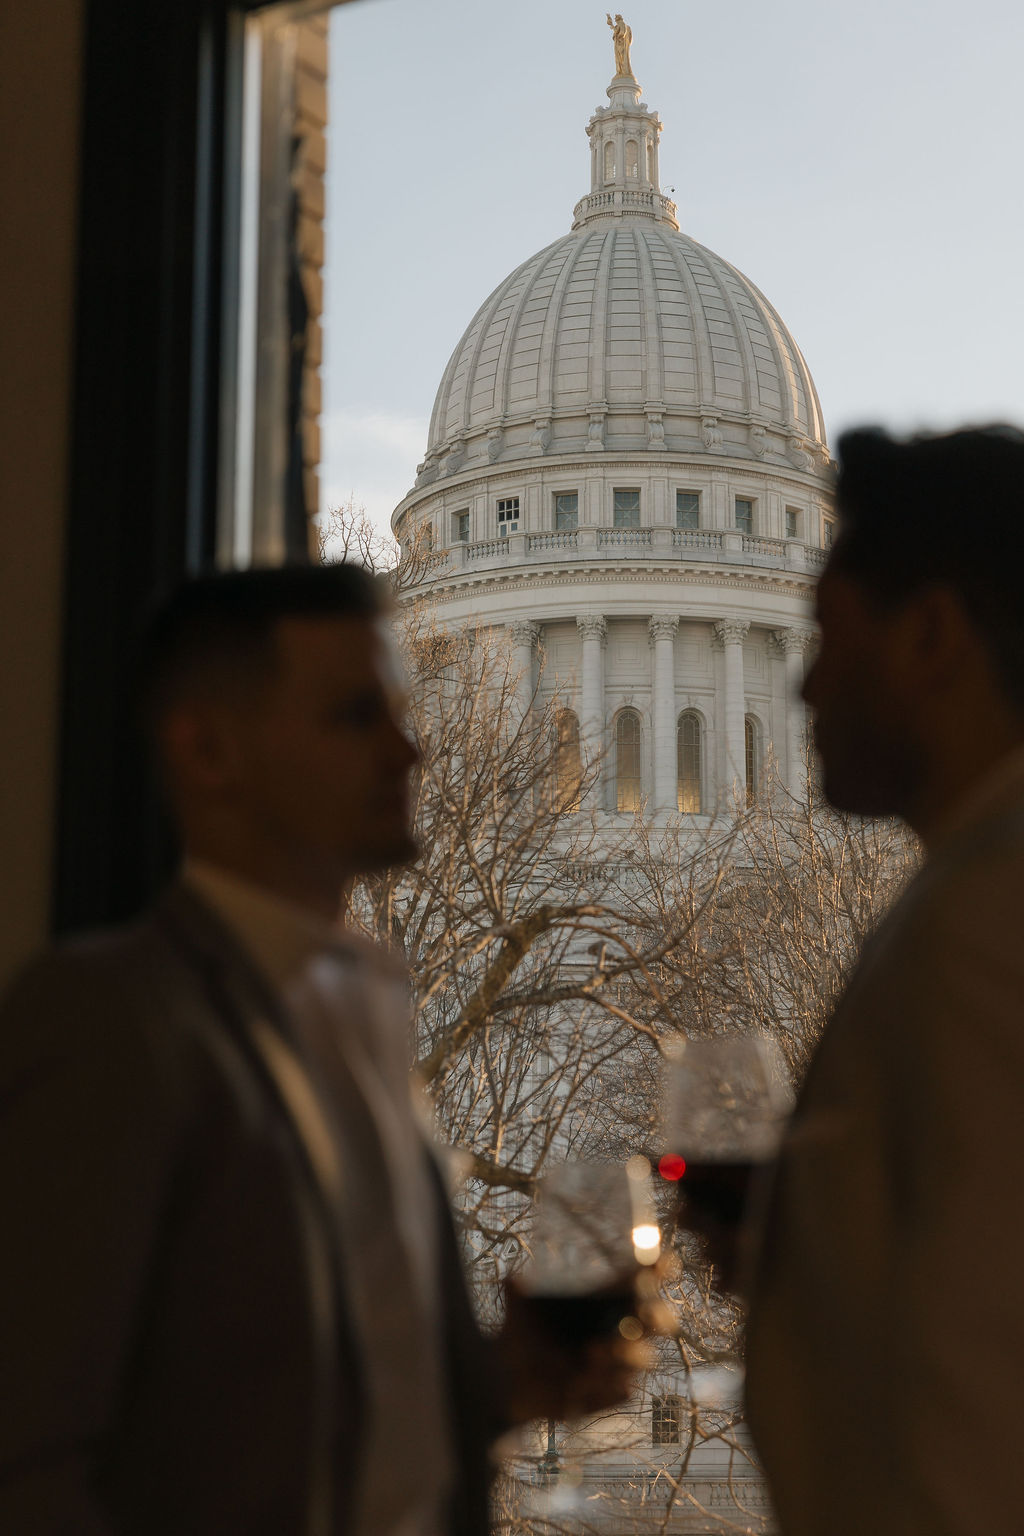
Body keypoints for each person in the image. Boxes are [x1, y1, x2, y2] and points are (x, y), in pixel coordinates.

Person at [0, 564, 639, 1536]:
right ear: (209, 752)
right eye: (354, 717)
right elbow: (30, 1452)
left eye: (399, 712)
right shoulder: (109, 1019)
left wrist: (510, 1381)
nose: (410, 749)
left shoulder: (370, 1007)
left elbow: (331, 1424)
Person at [742, 425, 1024, 1534]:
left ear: (931, 635)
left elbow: (976, 1388)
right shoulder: (963, 887)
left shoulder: (986, 924)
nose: (805, 684)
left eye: (829, 636)